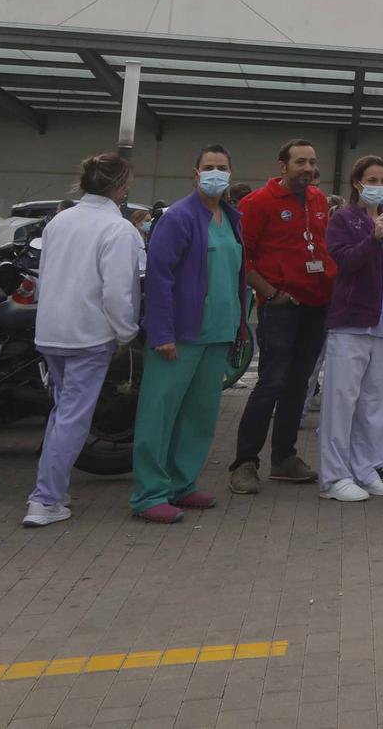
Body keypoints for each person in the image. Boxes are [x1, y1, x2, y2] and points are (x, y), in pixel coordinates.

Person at [130, 145, 249, 524]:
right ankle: (149, 494)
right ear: (194, 173)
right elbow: (160, 277)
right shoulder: (179, 218)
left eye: (223, 167)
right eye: (209, 167)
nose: (216, 173)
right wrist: (160, 332)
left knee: (200, 415)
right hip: (178, 335)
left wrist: (238, 329)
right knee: (159, 415)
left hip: (217, 334)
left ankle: (182, 484)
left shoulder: (232, 217)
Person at [25, 153, 143, 527]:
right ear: (120, 187)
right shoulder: (119, 230)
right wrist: (127, 332)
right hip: (88, 336)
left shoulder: (59, 221)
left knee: (61, 413)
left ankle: (52, 492)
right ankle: (45, 499)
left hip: (51, 332)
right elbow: (117, 292)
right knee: (73, 418)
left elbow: (44, 275)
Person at [229, 139, 336, 495]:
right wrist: (272, 293)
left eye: (312, 161)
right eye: (300, 162)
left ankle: (284, 459)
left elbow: (320, 246)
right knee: (271, 382)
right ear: (282, 166)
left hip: (316, 305)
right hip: (281, 307)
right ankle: (245, 462)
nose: (308, 168)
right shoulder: (257, 203)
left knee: (298, 383)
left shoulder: (319, 200)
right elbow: (243, 259)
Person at [318, 157, 383, 502]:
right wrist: (375, 237)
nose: (378, 184)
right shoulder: (344, 219)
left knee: (377, 404)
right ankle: (334, 477)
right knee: (341, 402)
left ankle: (367, 470)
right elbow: (345, 262)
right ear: (357, 183)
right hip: (352, 324)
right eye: (372, 179)